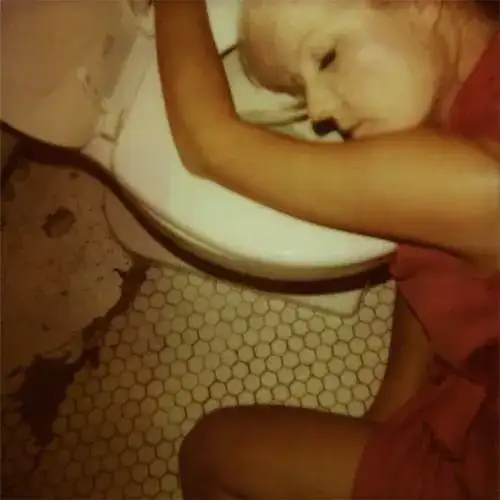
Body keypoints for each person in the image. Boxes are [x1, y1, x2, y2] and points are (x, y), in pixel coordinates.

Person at [154, 0, 499, 498]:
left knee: (211, 452)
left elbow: (208, 144)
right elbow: (433, 247)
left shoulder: (481, 186)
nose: (317, 112)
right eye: (301, 87)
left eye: (327, 56)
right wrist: (390, 412)